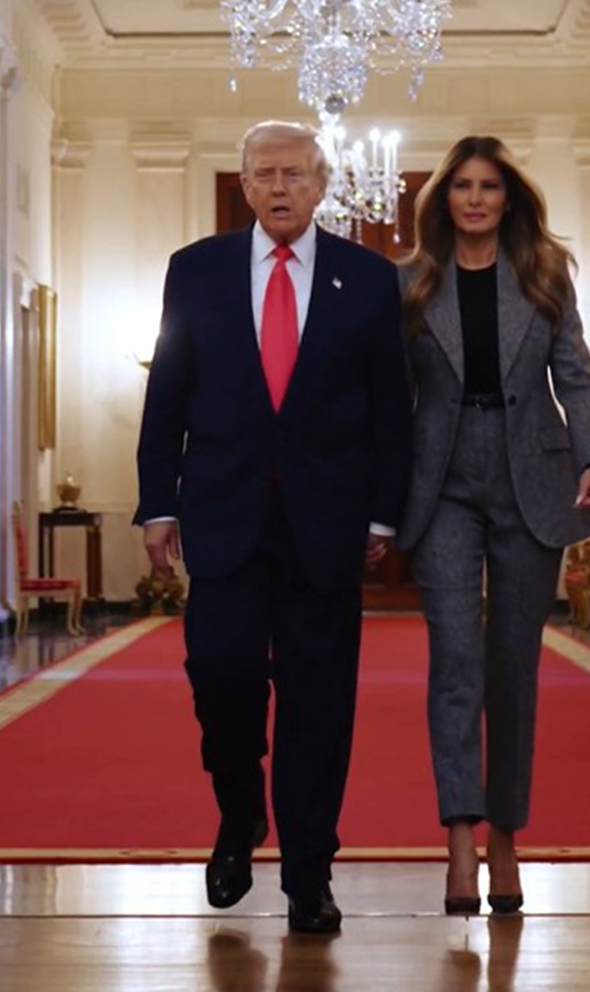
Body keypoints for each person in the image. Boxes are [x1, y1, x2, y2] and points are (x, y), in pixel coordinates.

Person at [135, 120, 411, 934]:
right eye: (265, 174)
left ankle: (307, 875)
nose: (281, 186)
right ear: (246, 187)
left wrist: (384, 513)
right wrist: (158, 502)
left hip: (326, 523)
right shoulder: (197, 272)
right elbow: (168, 395)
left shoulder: (367, 279)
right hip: (222, 514)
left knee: (320, 705)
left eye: (296, 172)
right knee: (220, 675)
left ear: (323, 185)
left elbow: (392, 411)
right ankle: (238, 809)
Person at [396, 136, 590, 916]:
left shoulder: (544, 275)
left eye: (489, 186)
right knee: (455, 659)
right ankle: (458, 837)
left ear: (508, 198)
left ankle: (506, 839)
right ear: (443, 199)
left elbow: (578, 376)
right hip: (443, 480)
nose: (476, 199)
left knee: (512, 668)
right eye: (461, 186)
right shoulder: (412, 282)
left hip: (533, 476)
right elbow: (390, 396)